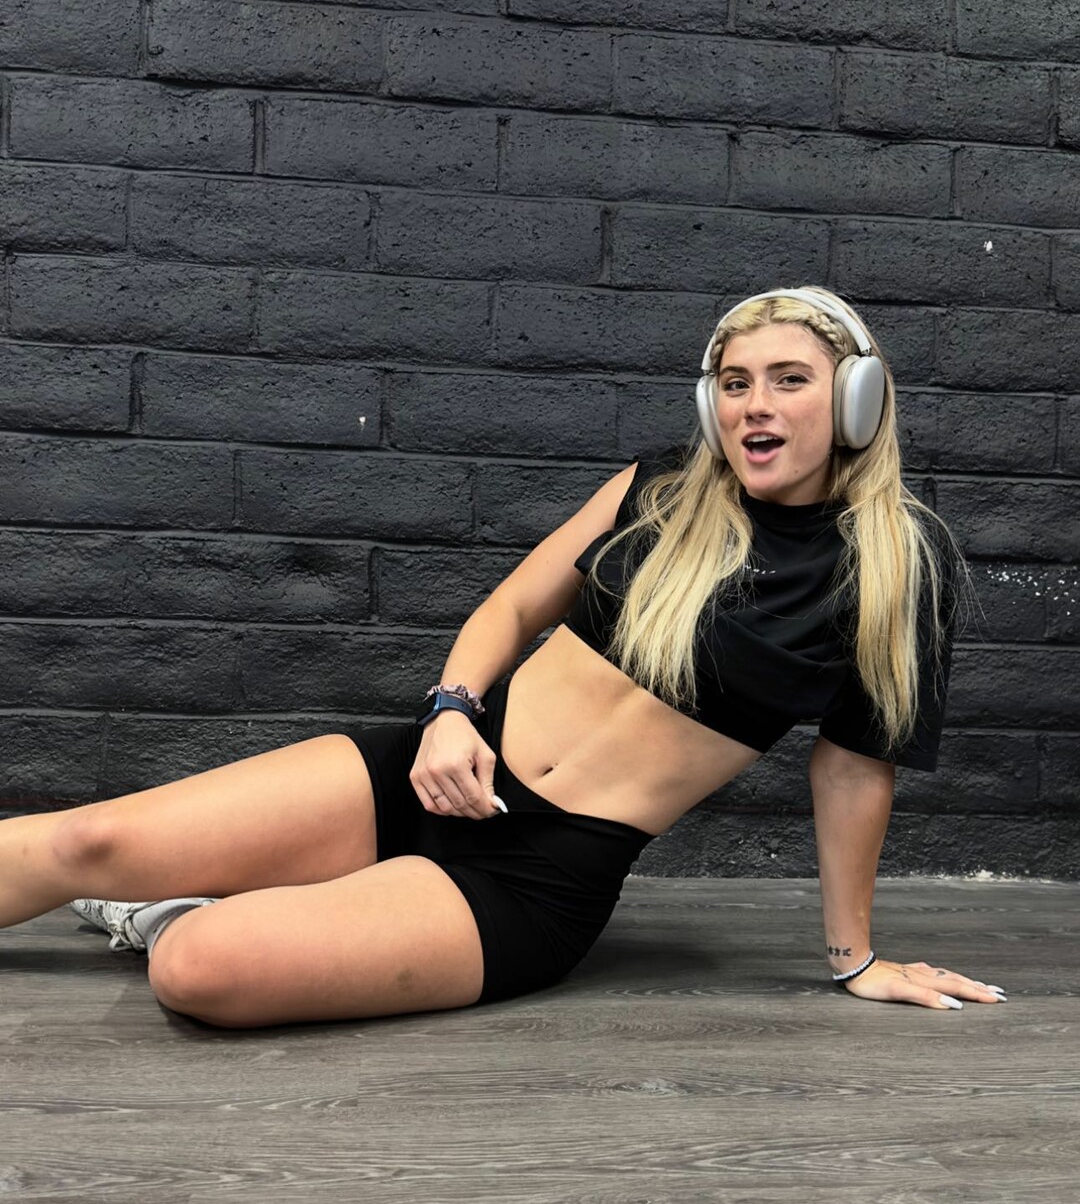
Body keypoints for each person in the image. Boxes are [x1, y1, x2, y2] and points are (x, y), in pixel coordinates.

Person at [14, 286, 1006, 1028]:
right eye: (736, 384)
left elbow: (852, 768)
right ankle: (254, 896)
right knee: (84, 841)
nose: (756, 405)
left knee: (197, 967)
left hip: (536, 878)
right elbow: (518, 602)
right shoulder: (663, 486)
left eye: (790, 380)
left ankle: (174, 914)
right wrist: (450, 710)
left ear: (857, 399)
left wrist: (853, 957)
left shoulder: (898, 568)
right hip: (438, 770)